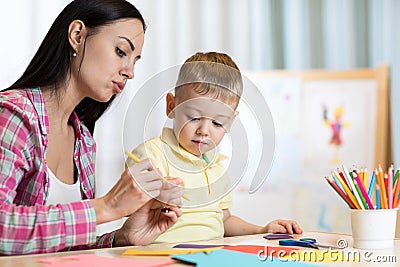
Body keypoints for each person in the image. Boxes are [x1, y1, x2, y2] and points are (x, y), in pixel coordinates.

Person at [0, 0, 183, 255]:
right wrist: (107, 206)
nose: (130, 72)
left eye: (135, 60)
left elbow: (64, 246)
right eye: (121, 51)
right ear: (77, 35)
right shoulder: (12, 115)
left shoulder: (84, 140)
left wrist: (122, 237)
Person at [128, 52, 303, 243]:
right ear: (171, 106)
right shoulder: (152, 155)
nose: (204, 131)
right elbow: (128, 211)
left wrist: (262, 229)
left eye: (218, 123)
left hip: (211, 256)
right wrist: (155, 199)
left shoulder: (216, 166)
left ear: (230, 123)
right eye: (194, 118)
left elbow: (224, 220)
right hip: (159, 256)